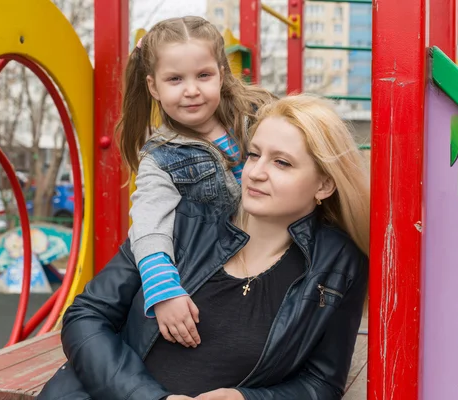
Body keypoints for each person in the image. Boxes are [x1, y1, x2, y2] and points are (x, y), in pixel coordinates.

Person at [39, 94, 370, 400]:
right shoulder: (181, 221)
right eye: (254, 154)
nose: (255, 172)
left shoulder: (338, 264)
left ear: (324, 184)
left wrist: (243, 399)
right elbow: (87, 315)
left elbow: (322, 382)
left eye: (281, 163)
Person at [119, 16, 275, 348]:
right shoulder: (161, 158)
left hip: (277, 250)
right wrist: (164, 292)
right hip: (223, 271)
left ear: (221, 73)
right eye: (174, 79)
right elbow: (149, 228)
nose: (191, 90)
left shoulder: (256, 116)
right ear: (153, 87)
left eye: (203, 75)